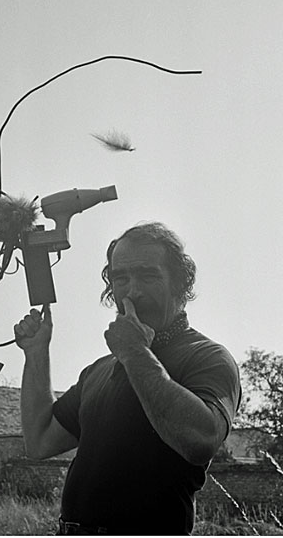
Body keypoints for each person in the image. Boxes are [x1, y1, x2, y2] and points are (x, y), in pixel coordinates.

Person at [14, 222, 241, 535]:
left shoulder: (207, 357)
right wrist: (36, 354)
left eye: (148, 275)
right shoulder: (100, 370)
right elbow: (39, 441)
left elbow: (200, 441)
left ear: (179, 283)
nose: (132, 290)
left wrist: (135, 353)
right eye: (121, 277)